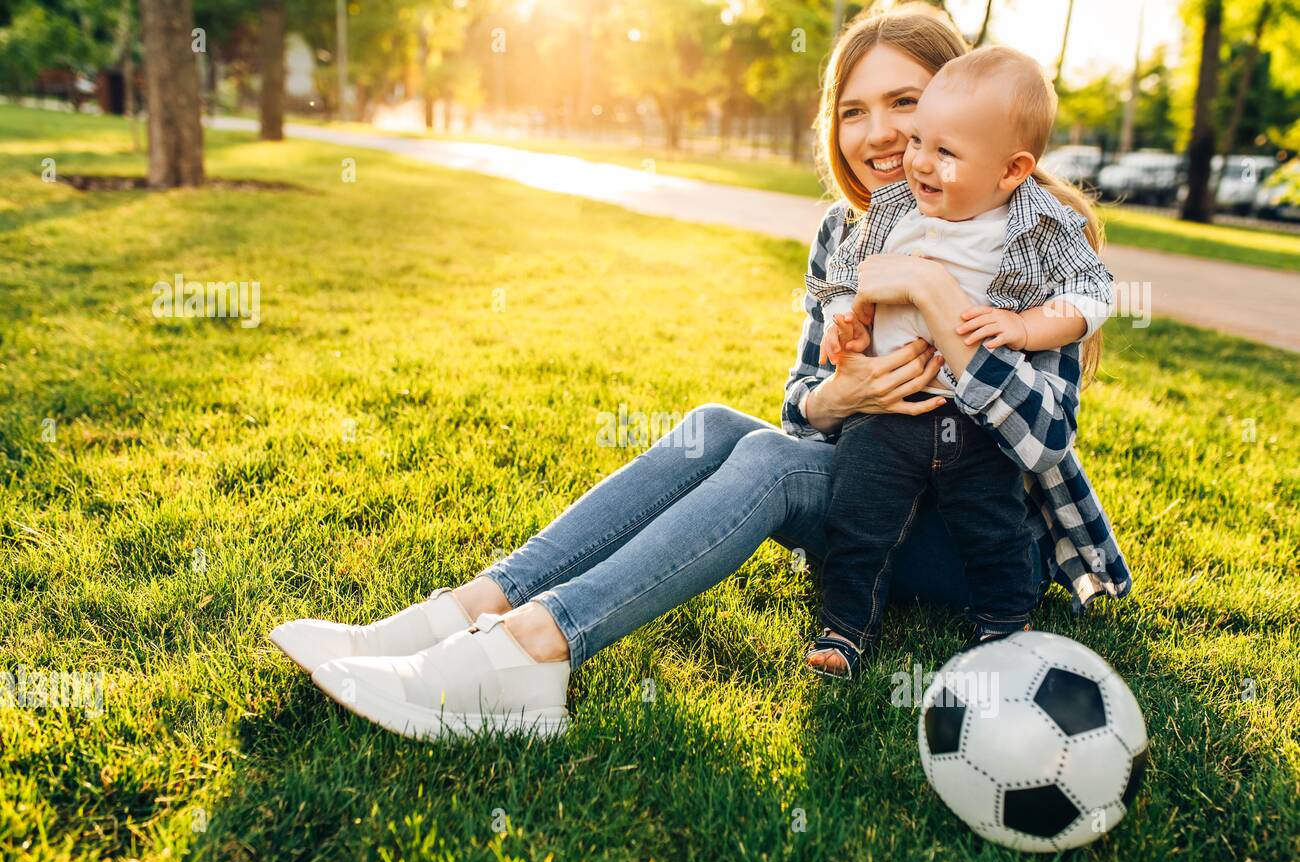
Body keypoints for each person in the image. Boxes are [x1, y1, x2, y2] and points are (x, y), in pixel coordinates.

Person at [266, 4, 1130, 739]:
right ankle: (464, 611)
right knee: (722, 426)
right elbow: (802, 419)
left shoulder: (1037, 238)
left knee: (766, 461)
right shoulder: (848, 232)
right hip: (872, 502)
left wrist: (937, 296)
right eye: (854, 110)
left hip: (972, 545)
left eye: (906, 102)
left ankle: (531, 651)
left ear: (960, 104)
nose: (878, 135)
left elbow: (1048, 442)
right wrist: (841, 394)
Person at [804, 46, 1116, 679]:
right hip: (890, 415)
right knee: (858, 516)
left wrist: (1027, 326)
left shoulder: (1038, 227)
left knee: (994, 524)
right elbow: (847, 275)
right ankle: (844, 627)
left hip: (978, 422)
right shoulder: (893, 208)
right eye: (920, 140)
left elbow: (1094, 294)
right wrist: (849, 322)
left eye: (943, 151)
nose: (917, 160)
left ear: (1011, 170)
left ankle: (1005, 625)